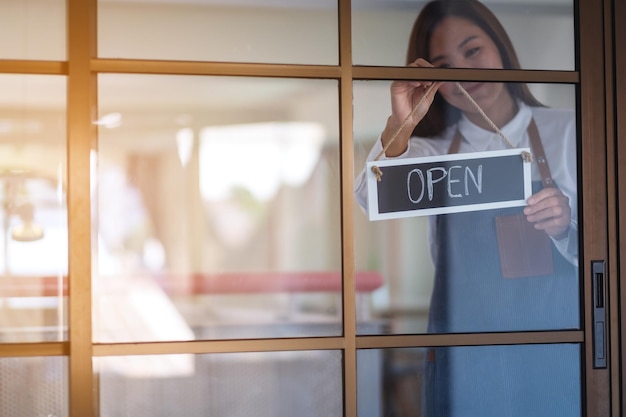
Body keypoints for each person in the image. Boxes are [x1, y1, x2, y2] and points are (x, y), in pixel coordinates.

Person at [354, 0, 580, 415]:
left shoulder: (572, 131)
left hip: (553, 348)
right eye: (443, 67)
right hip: (463, 352)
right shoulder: (429, 151)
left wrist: (565, 226)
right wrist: (400, 124)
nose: (463, 73)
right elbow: (371, 198)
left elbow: (606, 261)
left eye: (472, 51)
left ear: (501, 48)